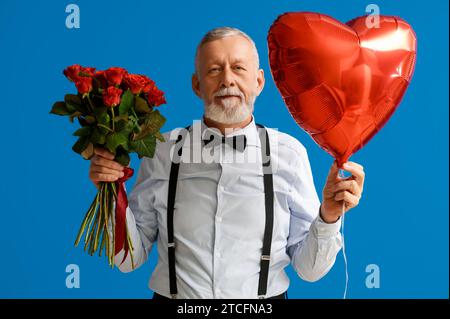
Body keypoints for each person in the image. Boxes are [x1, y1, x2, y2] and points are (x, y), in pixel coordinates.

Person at [89, 27, 365, 299]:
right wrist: (110, 191)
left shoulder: (288, 154)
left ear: (258, 82)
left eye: (238, 68)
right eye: (214, 70)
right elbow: (128, 260)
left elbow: (310, 270)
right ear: (197, 85)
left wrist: (329, 215)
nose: (227, 80)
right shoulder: (162, 150)